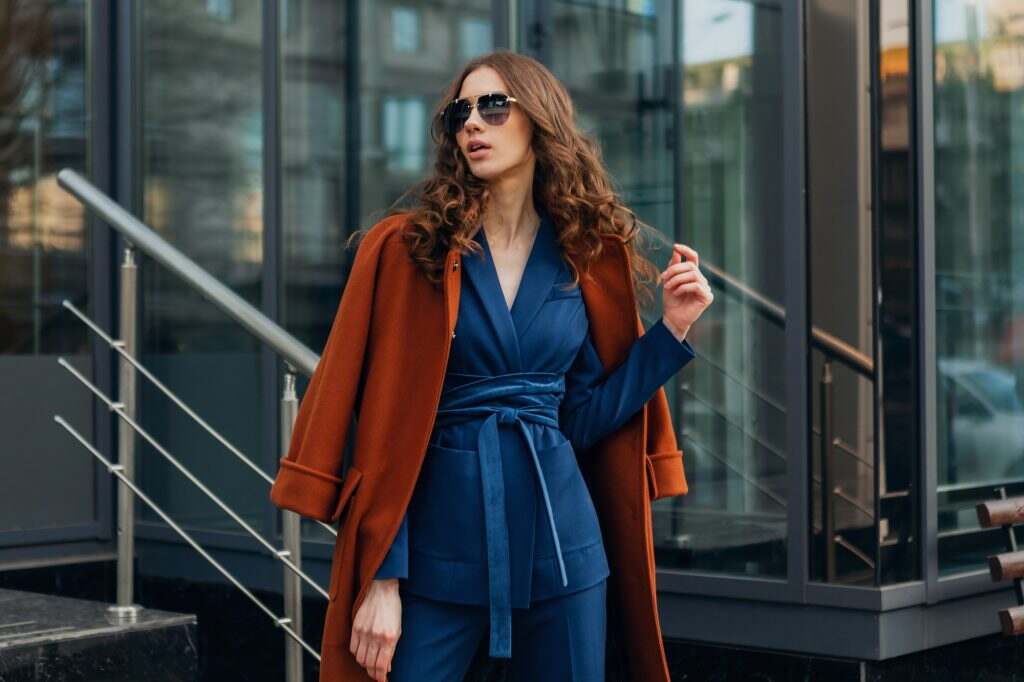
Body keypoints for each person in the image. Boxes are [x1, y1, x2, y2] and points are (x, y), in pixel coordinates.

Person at [343, 50, 714, 682]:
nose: (472, 124)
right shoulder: (417, 249)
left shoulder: (583, 255)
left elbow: (577, 419)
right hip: (438, 554)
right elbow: (381, 424)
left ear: (538, 119)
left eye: (492, 106)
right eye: (461, 111)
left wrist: (670, 331)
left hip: (563, 553)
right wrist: (383, 575)